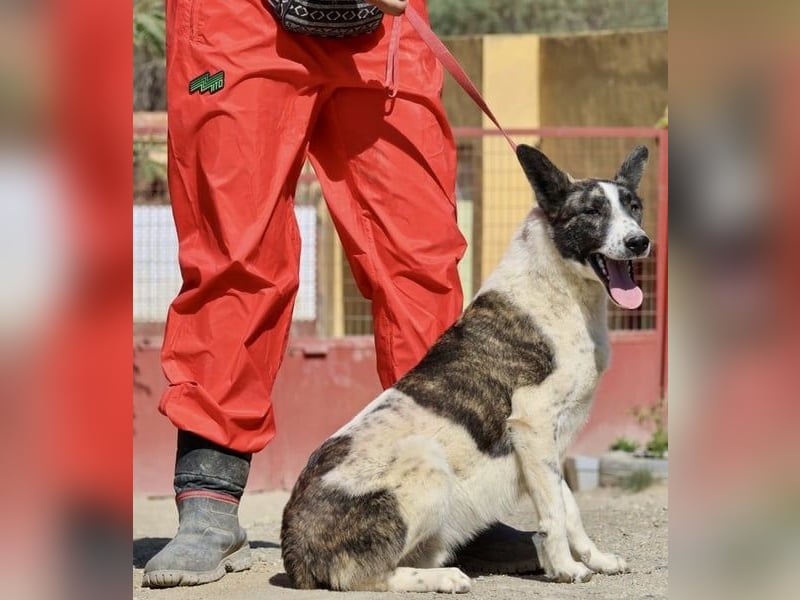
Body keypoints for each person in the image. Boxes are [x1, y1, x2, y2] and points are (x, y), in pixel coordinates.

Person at [143, 0, 537, 588]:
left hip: (380, 32)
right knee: (236, 258)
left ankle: (449, 498)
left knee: (420, 259)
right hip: (240, 22)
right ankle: (210, 501)